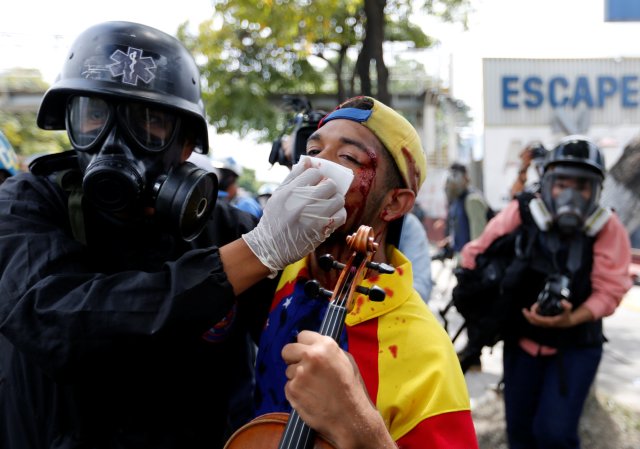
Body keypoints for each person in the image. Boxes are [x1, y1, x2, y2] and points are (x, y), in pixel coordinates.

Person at [0, 21, 347, 449]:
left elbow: (304, 342)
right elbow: (55, 320)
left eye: (148, 122)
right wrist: (252, 256)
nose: (113, 142)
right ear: (70, 126)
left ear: (185, 146)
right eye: (93, 116)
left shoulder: (225, 230)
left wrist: (331, 231)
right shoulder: (27, 205)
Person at [250, 96, 478, 448]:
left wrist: (361, 428)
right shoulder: (283, 272)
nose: (316, 165)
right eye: (313, 149)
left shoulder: (426, 354)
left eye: (348, 158)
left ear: (394, 203)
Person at [460, 135, 632, 449]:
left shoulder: (608, 228)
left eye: (582, 187)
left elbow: (611, 290)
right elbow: (474, 256)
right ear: (547, 182)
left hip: (576, 346)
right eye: (561, 183)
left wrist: (572, 318)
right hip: (522, 343)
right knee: (521, 435)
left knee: (555, 435)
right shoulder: (521, 213)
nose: (571, 195)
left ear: (596, 190)